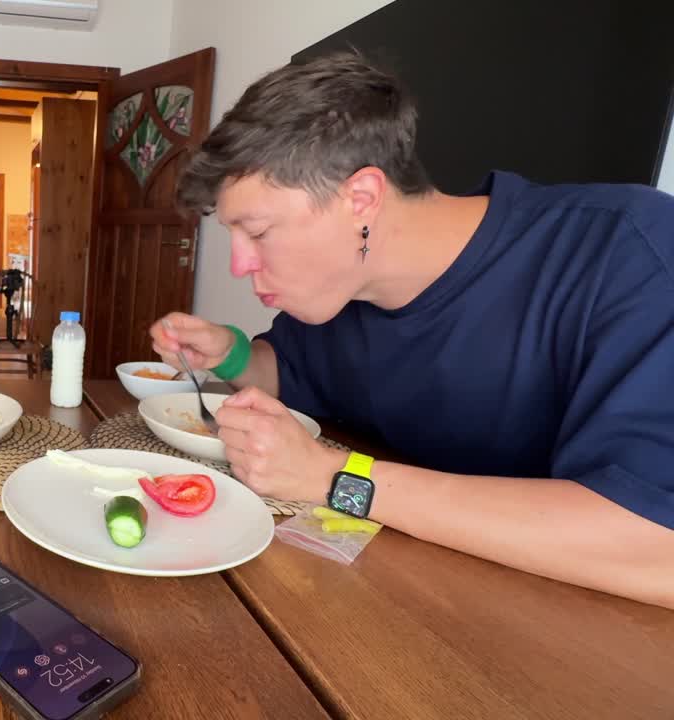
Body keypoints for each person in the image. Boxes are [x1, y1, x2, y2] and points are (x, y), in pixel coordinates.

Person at [150, 52, 674, 608]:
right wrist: (229, 354)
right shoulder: (342, 296)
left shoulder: (629, 252)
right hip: (403, 610)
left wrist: (334, 479)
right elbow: (287, 372)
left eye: (256, 231)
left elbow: (654, 543)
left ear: (361, 199)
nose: (238, 265)